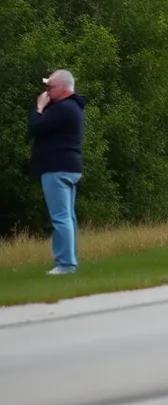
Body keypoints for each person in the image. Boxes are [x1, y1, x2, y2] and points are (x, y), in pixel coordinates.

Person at [29, 69, 87, 275]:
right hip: (68, 166)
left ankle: (66, 264)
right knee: (67, 216)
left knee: (61, 216)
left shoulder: (63, 108)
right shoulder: (72, 107)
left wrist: (39, 107)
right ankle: (68, 260)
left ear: (62, 88)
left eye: (50, 87)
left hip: (57, 166)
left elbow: (35, 127)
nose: (46, 91)